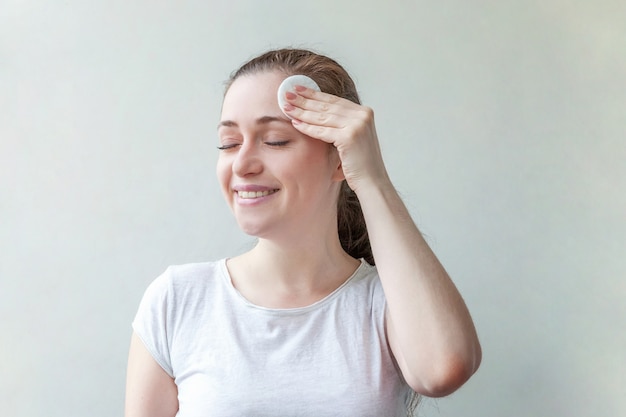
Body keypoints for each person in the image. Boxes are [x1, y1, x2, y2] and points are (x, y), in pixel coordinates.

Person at [124, 48, 482, 417]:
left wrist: (372, 178)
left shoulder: (387, 304)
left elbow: (443, 370)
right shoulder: (177, 301)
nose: (242, 164)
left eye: (275, 140)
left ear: (340, 158)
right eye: (229, 144)